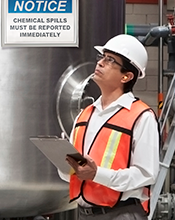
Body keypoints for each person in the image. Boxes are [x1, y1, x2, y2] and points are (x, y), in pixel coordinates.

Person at [57, 34, 159, 220]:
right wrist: (65, 166)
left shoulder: (141, 116)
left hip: (121, 214)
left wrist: (97, 174)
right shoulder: (84, 114)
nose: (101, 63)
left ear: (127, 76)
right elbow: (69, 175)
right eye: (101, 57)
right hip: (83, 214)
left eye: (110, 60)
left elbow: (146, 174)